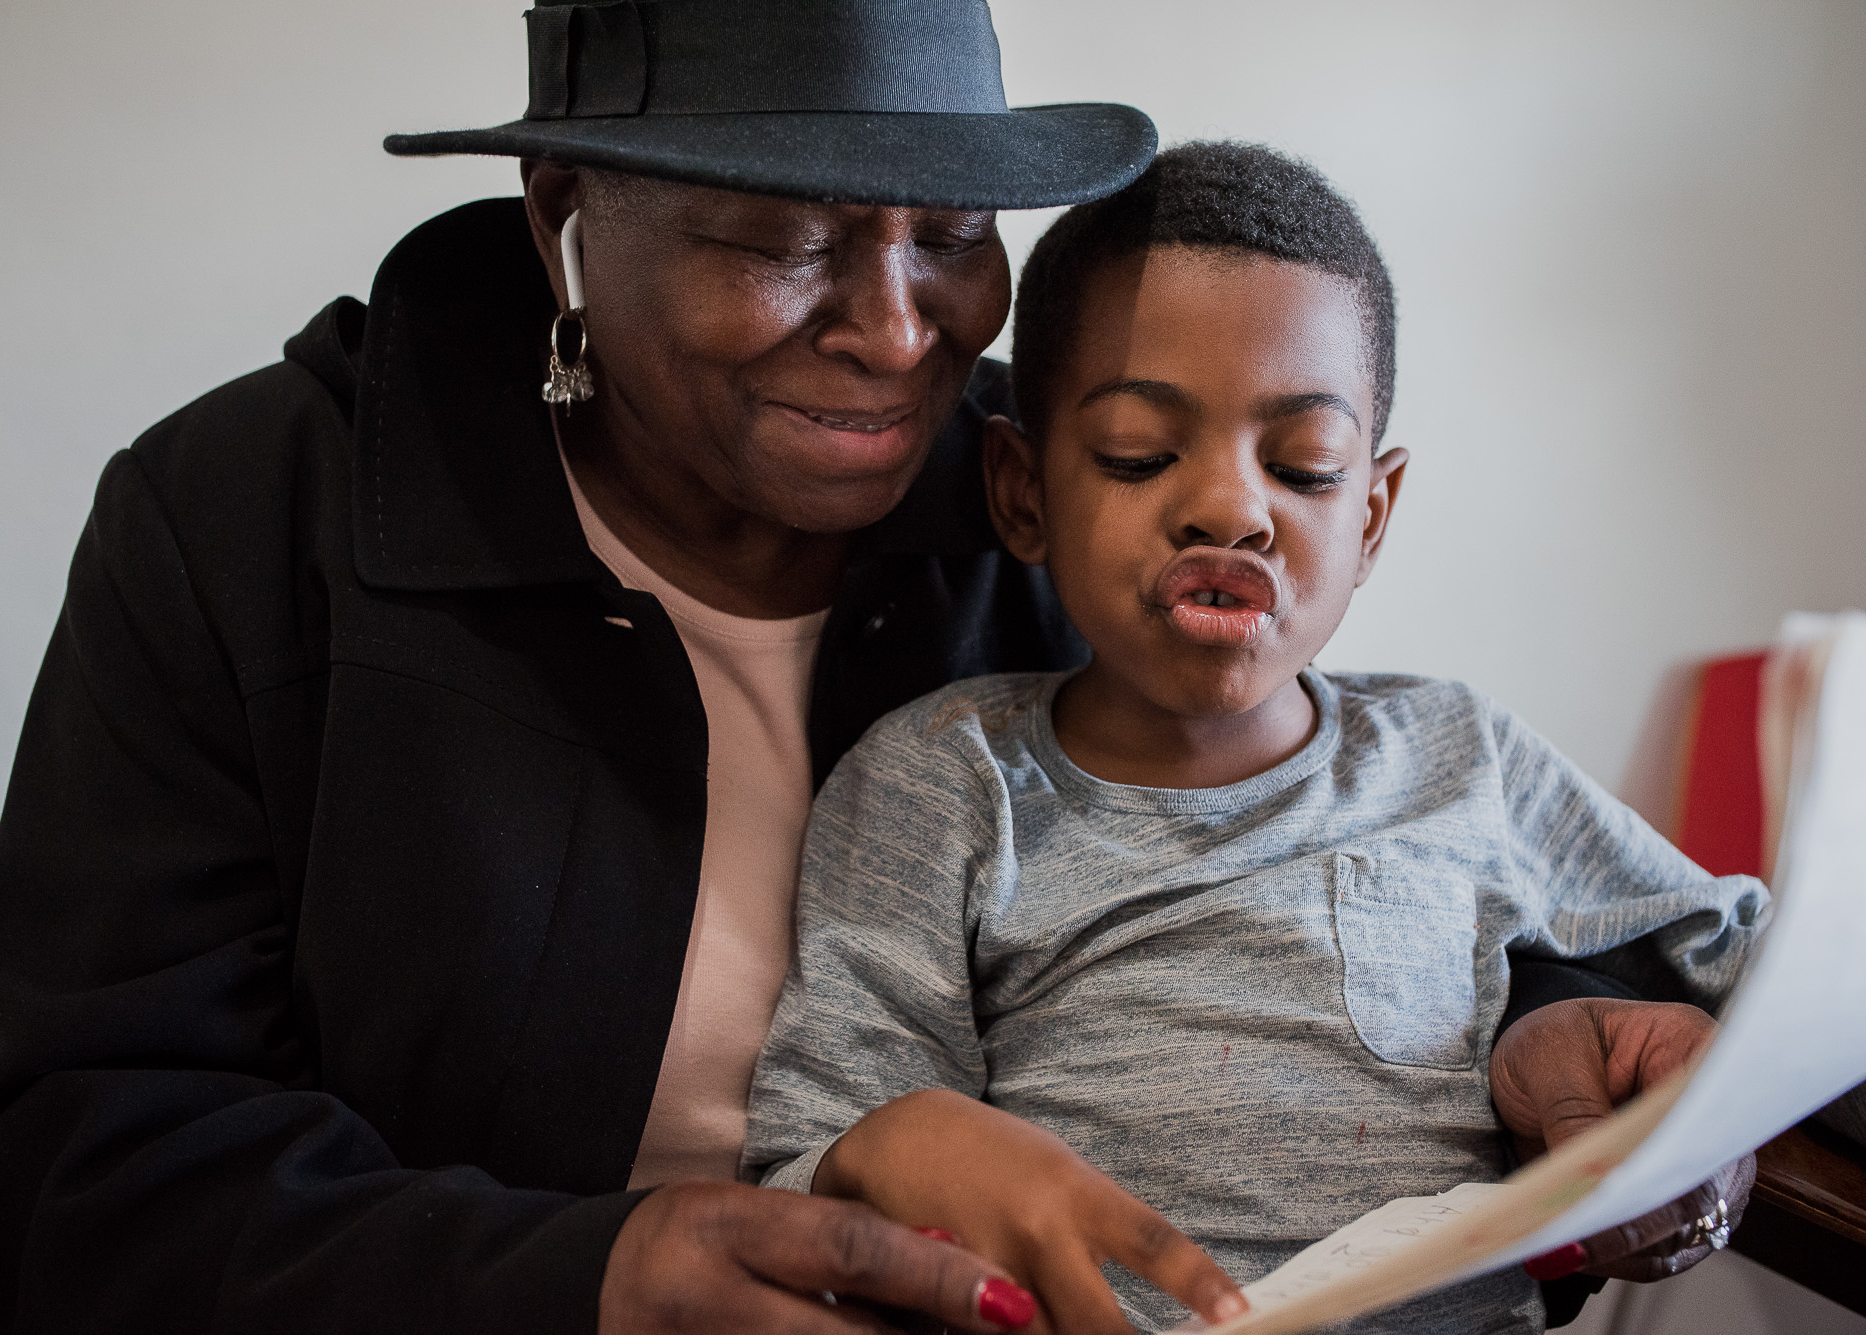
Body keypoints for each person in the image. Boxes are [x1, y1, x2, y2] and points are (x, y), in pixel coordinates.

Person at [0, 5, 1746, 1332]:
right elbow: (66, 1162)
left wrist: (1543, 1044)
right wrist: (597, 1277)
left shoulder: (1065, 497)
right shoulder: (256, 515)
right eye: (778, 239)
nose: (894, 330)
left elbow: (1368, 841)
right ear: (566, 209)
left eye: (950, 238)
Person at [742, 143, 1765, 1334]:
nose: (1230, 507)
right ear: (1021, 491)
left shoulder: (1461, 755)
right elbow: (811, 1154)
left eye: (1302, 467)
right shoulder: (945, 779)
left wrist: (1705, 1104)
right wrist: (893, 1149)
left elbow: (1752, 965)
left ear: (1371, 514)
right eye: (1137, 454)